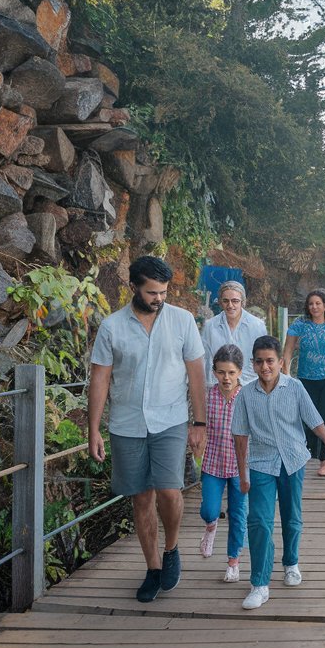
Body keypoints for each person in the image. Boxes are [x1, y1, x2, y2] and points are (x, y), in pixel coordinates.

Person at [88, 255, 206, 603]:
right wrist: (94, 429)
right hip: (126, 423)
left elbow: (197, 374)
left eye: (164, 292)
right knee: (141, 498)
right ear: (134, 287)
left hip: (170, 418)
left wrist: (200, 422)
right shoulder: (112, 327)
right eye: (152, 292)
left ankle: (171, 549)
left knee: (170, 491)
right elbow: (100, 378)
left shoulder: (183, 322)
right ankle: (153, 568)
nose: (159, 298)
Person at [232, 336, 325, 609]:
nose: (265, 367)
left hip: (293, 460)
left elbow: (315, 421)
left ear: (281, 362)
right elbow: (239, 437)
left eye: (270, 361)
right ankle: (259, 583)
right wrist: (242, 475)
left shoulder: (294, 388)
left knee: (291, 517)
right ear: (253, 364)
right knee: (259, 521)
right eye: (259, 361)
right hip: (260, 463)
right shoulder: (246, 394)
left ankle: (291, 562)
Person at [282, 289, 325, 477]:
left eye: (318, 303)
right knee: (306, 417)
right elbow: (287, 350)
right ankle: (310, 452)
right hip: (305, 378)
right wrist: (285, 373)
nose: (314, 307)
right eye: (311, 303)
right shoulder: (300, 325)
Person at [198, 344, 247, 582]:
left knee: (238, 514)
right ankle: (211, 526)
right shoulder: (208, 396)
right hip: (213, 463)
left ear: (239, 371)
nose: (226, 378)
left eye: (231, 372)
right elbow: (197, 425)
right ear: (214, 372)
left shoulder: (248, 396)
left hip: (241, 467)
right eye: (221, 372)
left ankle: (233, 562)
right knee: (209, 509)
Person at [201, 280, 268, 387]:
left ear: (243, 302)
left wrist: (240, 382)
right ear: (220, 302)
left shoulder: (257, 326)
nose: (230, 305)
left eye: (235, 301)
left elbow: (262, 358)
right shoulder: (210, 326)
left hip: (249, 385)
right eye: (226, 301)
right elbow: (205, 359)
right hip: (218, 387)